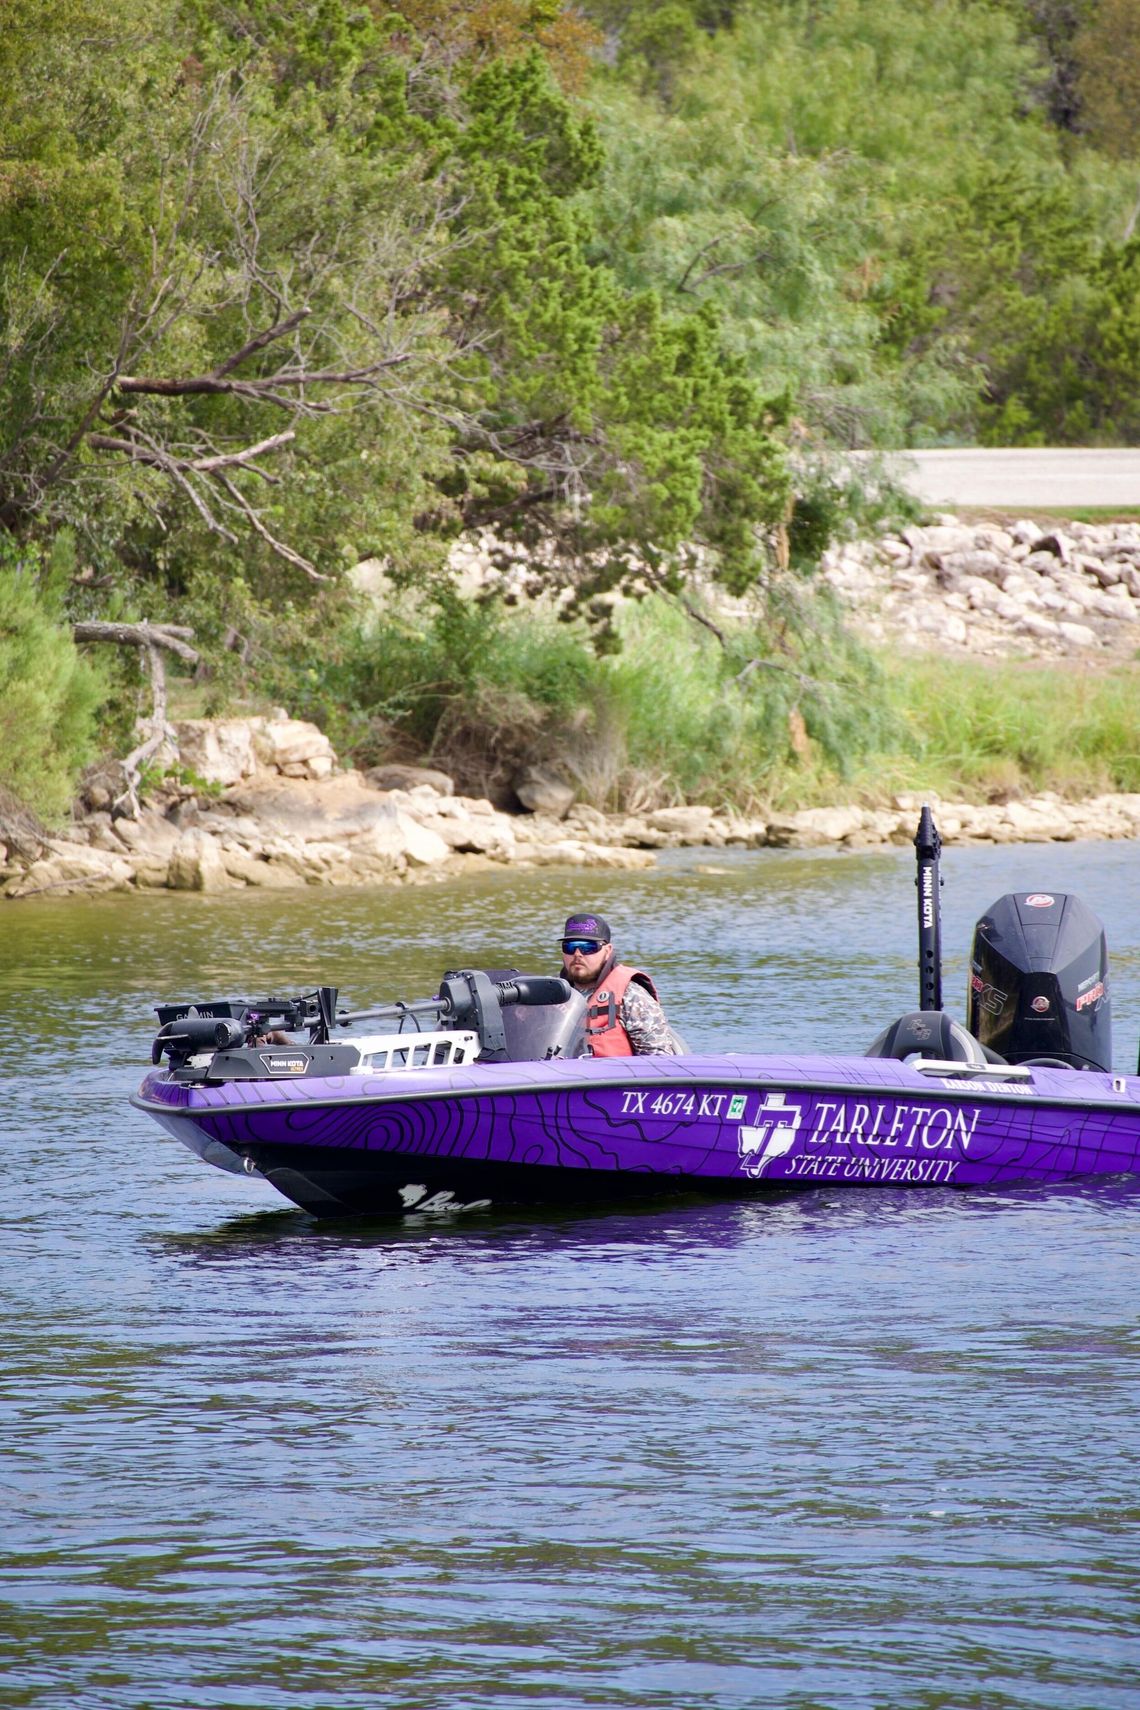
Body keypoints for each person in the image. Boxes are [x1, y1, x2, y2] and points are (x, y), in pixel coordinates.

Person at [558, 911, 681, 1056]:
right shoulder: (551, 993)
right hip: (559, 1070)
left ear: (607, 951)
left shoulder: (631, 995)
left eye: (588, 948)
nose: (578, 954)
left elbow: (659, 1058)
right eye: (569, 947)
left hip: (612, 1071)